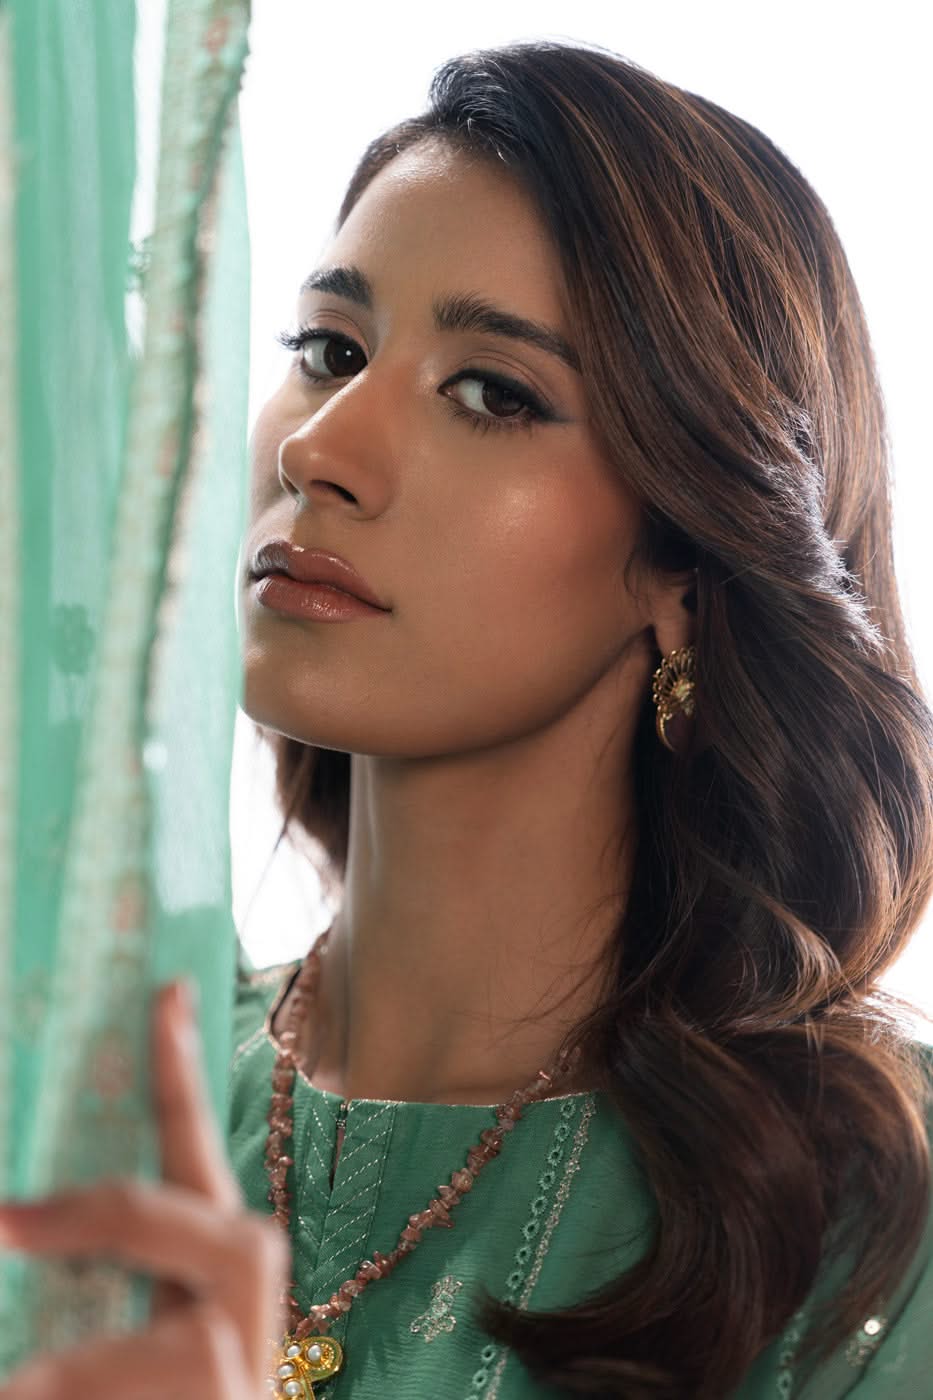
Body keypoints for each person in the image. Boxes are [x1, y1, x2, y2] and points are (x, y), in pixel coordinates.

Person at [2, 36, 932, 1400]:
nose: (320, 448)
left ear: (682, 569)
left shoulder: (874, 1222)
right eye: (329, 350)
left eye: (493, 394)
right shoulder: (70, 1112)